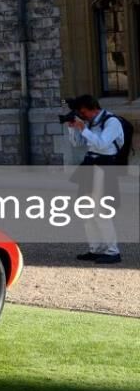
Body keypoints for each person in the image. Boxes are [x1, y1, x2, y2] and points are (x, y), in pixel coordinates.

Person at [66, 94, 123, 265]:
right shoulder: (90, 122)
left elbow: (102, 144)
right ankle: (95, 249)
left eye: (83, 112)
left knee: (100, 210)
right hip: (90, 164)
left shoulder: (112, 121)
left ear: (93, 108)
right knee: (85, 210)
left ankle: (113, 251)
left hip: (103, 166)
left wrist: (83, 128)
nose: (83, 115)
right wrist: (73, 128)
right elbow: (77, 143)